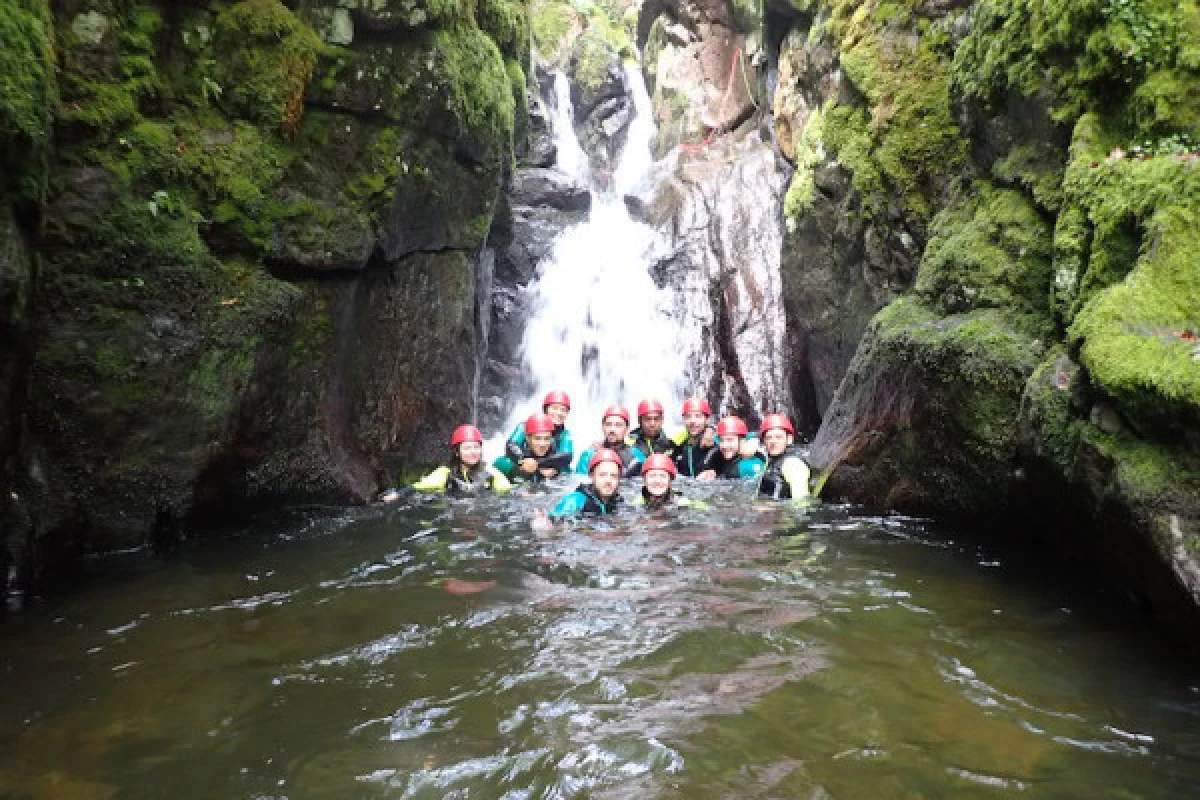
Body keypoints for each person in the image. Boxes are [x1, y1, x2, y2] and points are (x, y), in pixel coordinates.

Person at [410, 424, 513, 496]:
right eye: (467, 448)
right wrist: (397, 494)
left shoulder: (489, 472)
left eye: (476, 447)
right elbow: (419, 486)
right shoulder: (445, 473)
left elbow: (508, 489)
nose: (473, 452)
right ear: (457, 452)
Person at [535, 448, 624, 527]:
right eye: (602, 475)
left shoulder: (617, 502)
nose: (608, 481)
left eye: (613, 476)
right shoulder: (575, 500)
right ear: (591, 476)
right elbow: (555, 525)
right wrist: (546, 528)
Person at [493, 412, 572, 484]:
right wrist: (521, 468)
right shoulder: (509, 462)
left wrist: (537, 464)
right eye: (537, 438)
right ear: (528, 439)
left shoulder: (561, 467)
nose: (542, 444)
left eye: (547, 438)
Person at [574, 404, 646, 477]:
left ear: (627, 429)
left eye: (618, 425)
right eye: (608, 424)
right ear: (603, 427)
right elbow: (579, 484)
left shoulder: (636, 455)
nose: (612, 429)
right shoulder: (589, 455)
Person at [505, 389, 574, 465]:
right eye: (555, 408)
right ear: (546, 409)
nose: (559, 413)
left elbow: (566, 456)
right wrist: (525, 462)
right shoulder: (525, 426)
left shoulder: (565, 434)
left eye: (563, 410)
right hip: (525, 463)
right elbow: (511, 445)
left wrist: (537, 463)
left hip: (549, 467)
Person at [756, 413, 812, 500]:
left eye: (778, 437)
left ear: (789, 439)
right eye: (768, 438)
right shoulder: (770, 461)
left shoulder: (793, 464)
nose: (773, 441)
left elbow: (800, 502)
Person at [698, 416, 765, 480]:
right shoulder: (717, 456)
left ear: (742, 441)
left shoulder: (747, 465)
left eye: (730, 440)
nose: (724, 445)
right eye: (722, 440)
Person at [631, 453, 698, 509]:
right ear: (645, 480)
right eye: (652, 476)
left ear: (670, 481)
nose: (657, 481)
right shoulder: (636, 504)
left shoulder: (683, 504)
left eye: (663, 476)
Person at [672, 397, 716, 477]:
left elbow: (738, 437)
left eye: (698, 416)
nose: (692, 421)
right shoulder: (679, 444)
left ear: (707, 420)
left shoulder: (717, 443)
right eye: (688, 417)